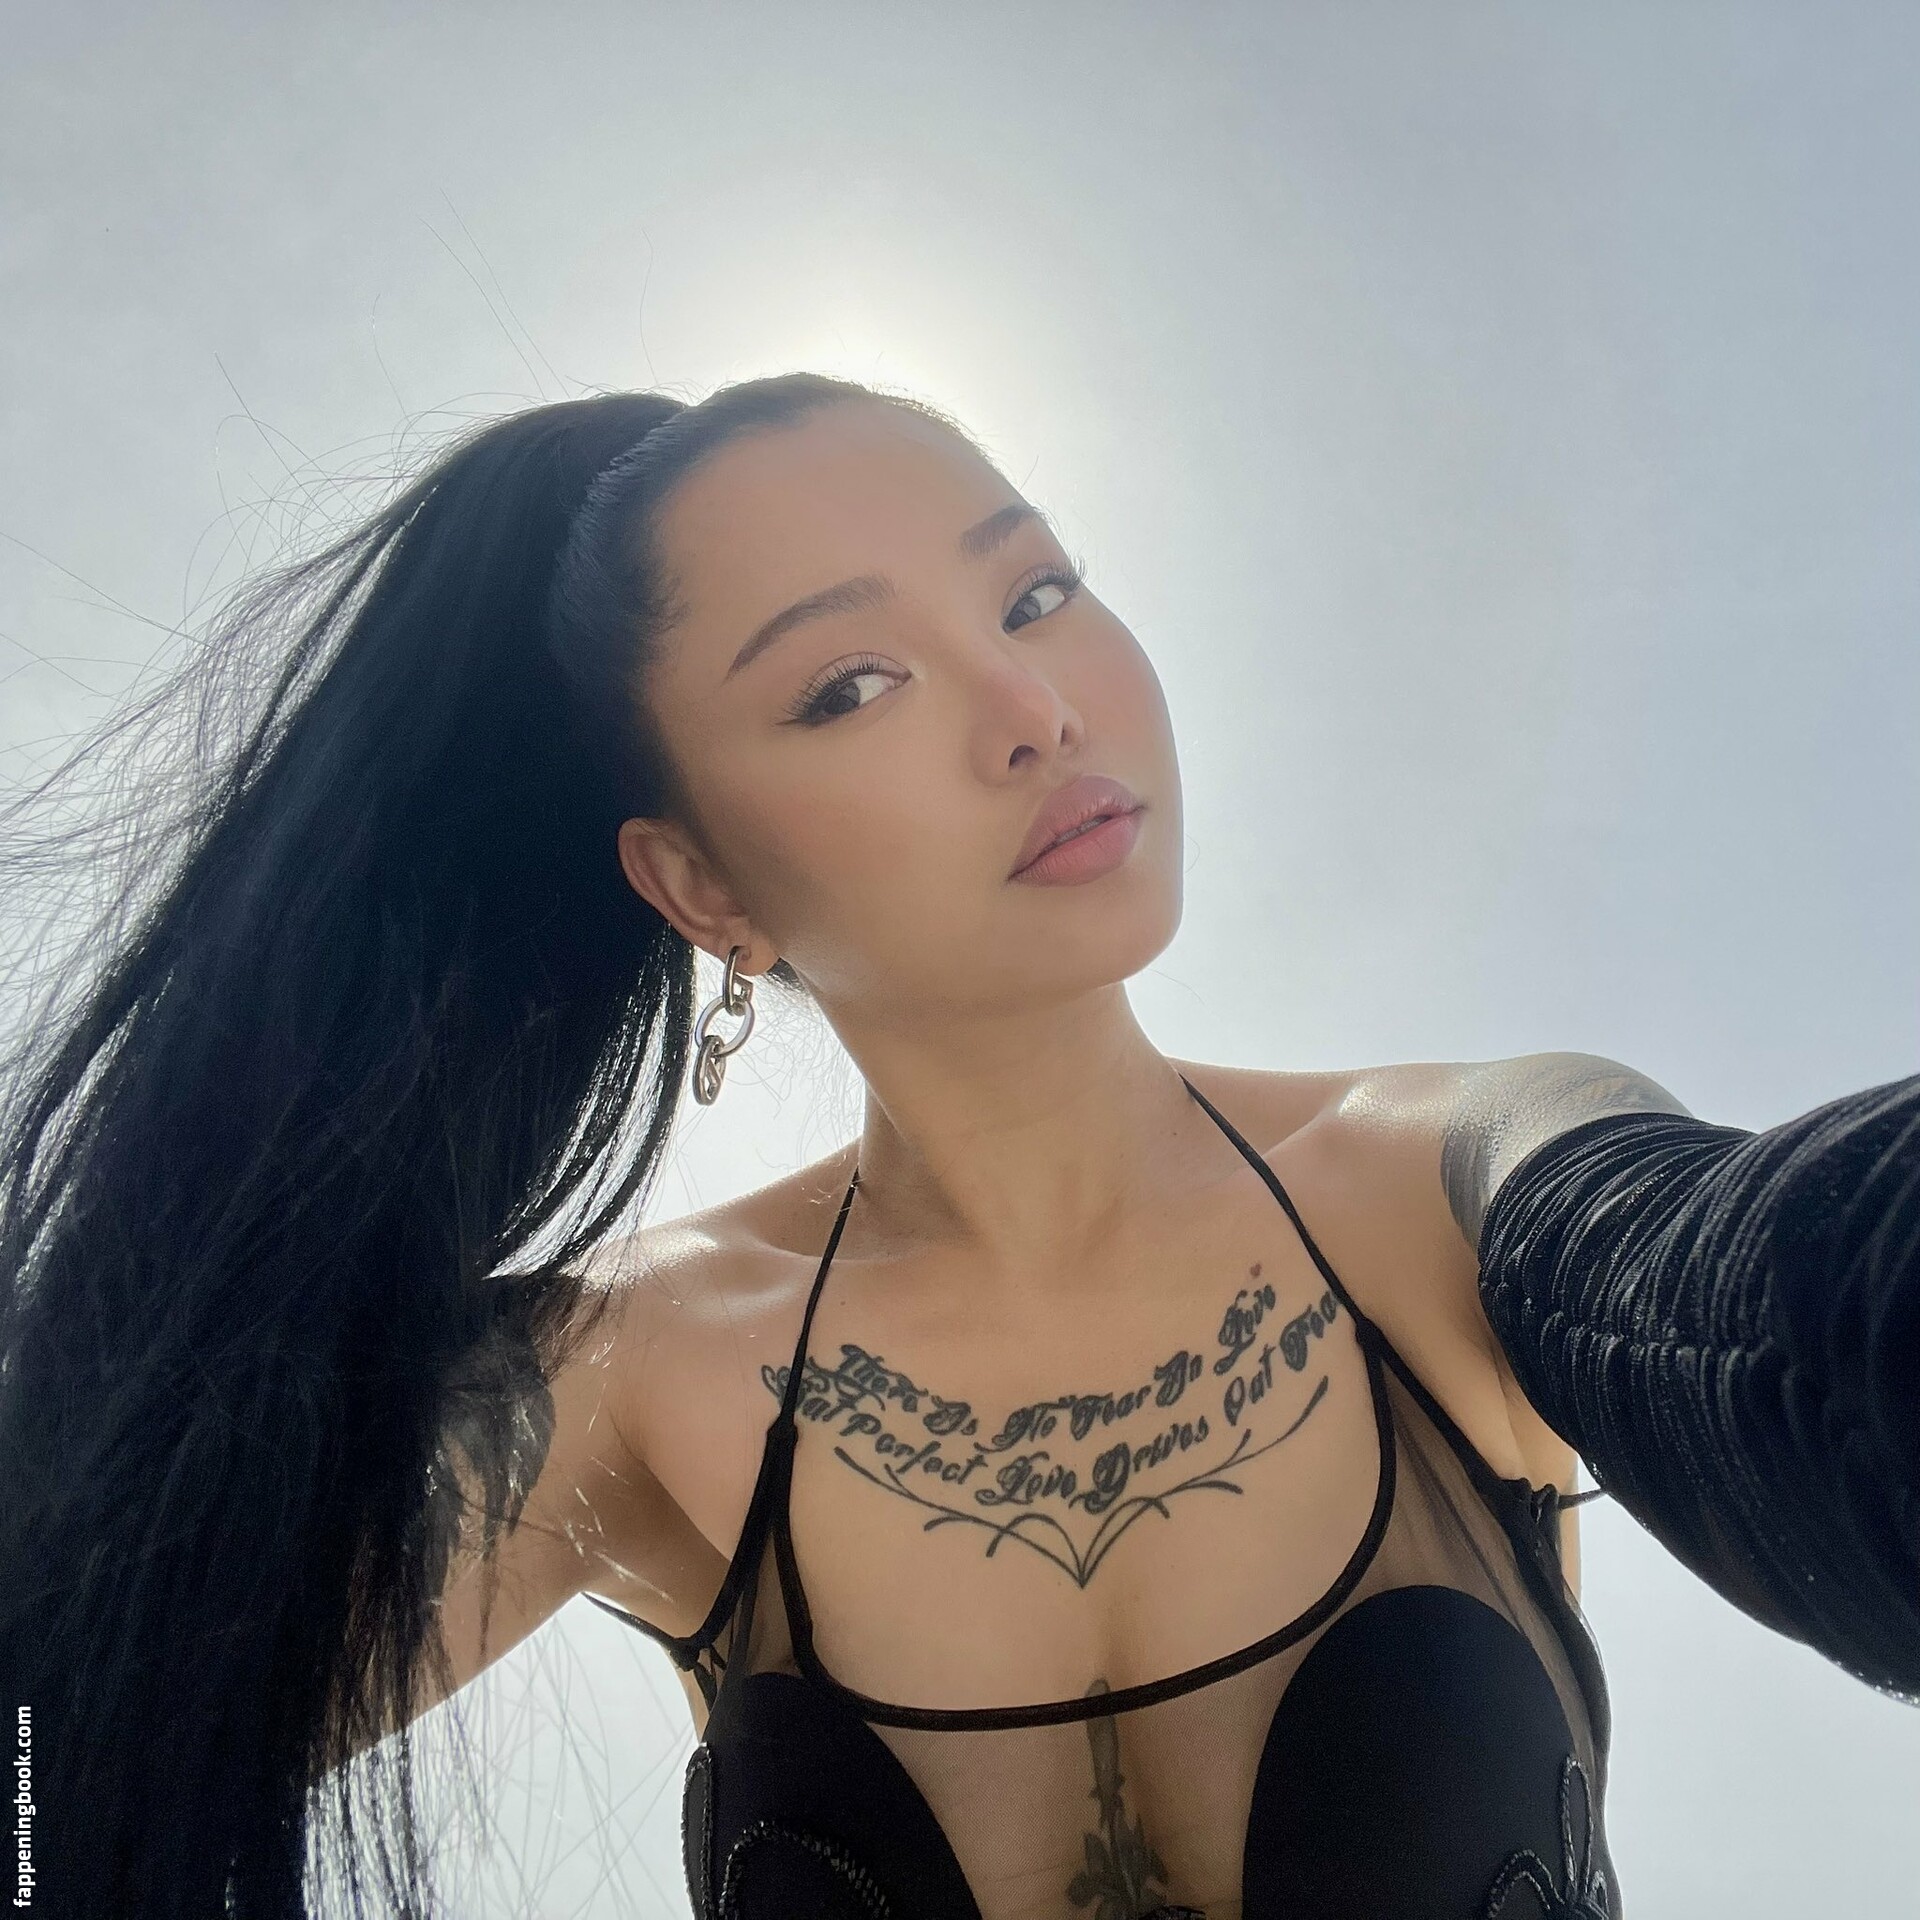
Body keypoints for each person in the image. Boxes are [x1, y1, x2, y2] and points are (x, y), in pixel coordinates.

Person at [1, 372, 1913, 1920]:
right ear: (701, 885)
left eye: (1035, 593)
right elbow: (70, 1733)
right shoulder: (624, 1374)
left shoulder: (1444, 1179)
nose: (1032, 710)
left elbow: (1788, 1302)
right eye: (849, 686)